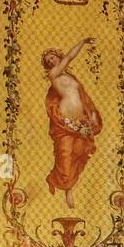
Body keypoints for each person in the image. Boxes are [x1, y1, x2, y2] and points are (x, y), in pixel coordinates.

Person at [43, 38, 101, 208]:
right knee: (65, 157)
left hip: (79, 121)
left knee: (77, 152)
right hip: (64, 124)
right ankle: (66, 187)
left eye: (53, 58)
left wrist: (91, 114)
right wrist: (82, 43)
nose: (51, 61)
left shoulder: (69, 76)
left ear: (58, 57)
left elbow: (83, 97)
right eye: (48, 61)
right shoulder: (53, 75)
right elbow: (69, 57)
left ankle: (64, 184)